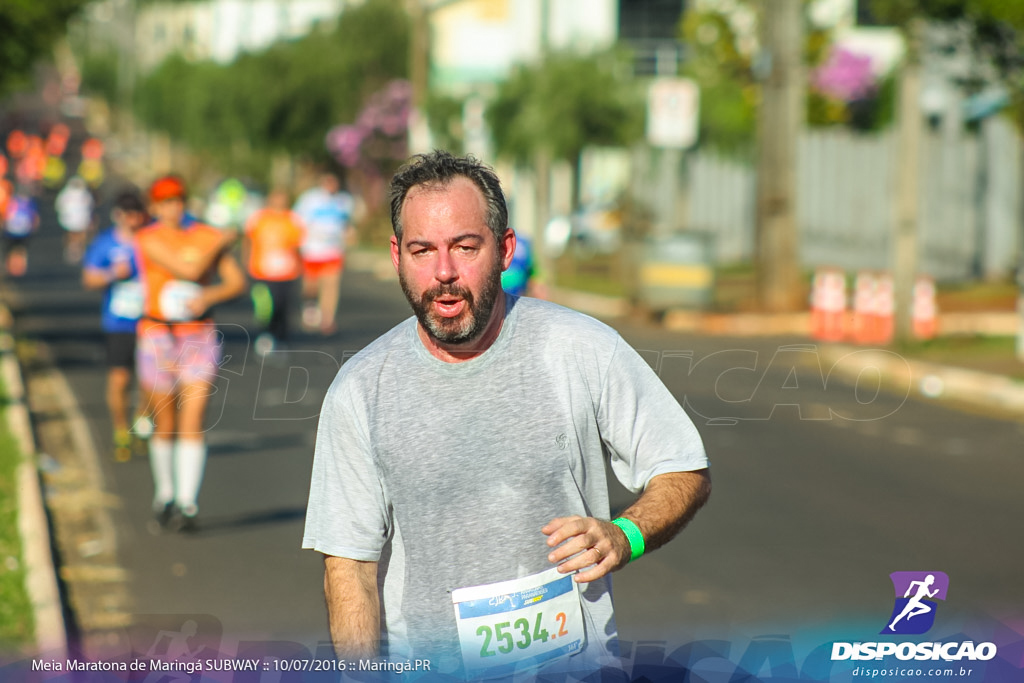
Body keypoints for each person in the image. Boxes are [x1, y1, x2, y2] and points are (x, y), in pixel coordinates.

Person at [302, 151, 711, 678]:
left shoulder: (581, 349)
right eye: (422, 250)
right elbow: (349, 564)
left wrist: (624, 535)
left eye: (465, 247)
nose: (444, 272)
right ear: (396, 256)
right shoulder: (361, 388)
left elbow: (683, 468)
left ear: (504, 249)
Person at [135, 174, 246, 533]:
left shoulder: (203, 233)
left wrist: (208, 297)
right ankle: (164, 493)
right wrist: (220, 242)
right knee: (165, 421)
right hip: (157, 335)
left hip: (198, 335)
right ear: (154, 207)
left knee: (193, 420)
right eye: (165, 201)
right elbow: (189, 269)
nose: (173, 207)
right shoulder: (148, 238)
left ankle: (187, 502)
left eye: (178, 200)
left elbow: (235, 281)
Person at [82, 190, 151, 462]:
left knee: (150, 380)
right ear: (118, 215)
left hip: (150, 321)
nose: (133, 220)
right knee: (120, 378)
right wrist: (112, 274)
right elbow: (89, 279)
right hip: (118, 322)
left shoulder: (151, 240)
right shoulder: (105, 243)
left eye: (138, 214)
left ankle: (142, 420)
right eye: (128, 214)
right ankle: (121, 429)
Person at [243, 187, 305, 355]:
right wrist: (246, 261)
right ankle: (265, 334)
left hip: (286, 272)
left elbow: (298, 246)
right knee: (265, 307)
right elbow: (248, 241)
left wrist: (300, 266)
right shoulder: (259, 219)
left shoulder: (293, 220)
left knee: (282, 306)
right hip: (261, 272)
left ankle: (282, 338)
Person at [293, 172, 354, 335]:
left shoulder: (344, 201)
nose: (331, 186)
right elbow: (297, 222)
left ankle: (327, 319)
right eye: (328, 182)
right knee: (310, 286)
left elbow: (346, 224)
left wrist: (348, 240)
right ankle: (310, 306)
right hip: (312, 250)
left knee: (330, 285)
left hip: (333, 250)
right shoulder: (309, 199)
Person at [55, 175, 95, 263]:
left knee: (75, 234)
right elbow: (90, 206)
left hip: (72, 221)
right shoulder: (84, 194)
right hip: (78, 221)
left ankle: (76, 249)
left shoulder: (65, 194)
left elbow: (58, 206)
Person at [2, 189, 39, 277]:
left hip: (21, 232)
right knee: (14, 251)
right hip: (12, 232)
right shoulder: (11, 203)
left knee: (19, 251)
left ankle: (18, 268)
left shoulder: (29, 204)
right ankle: (13, 267)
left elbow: (34, 217)